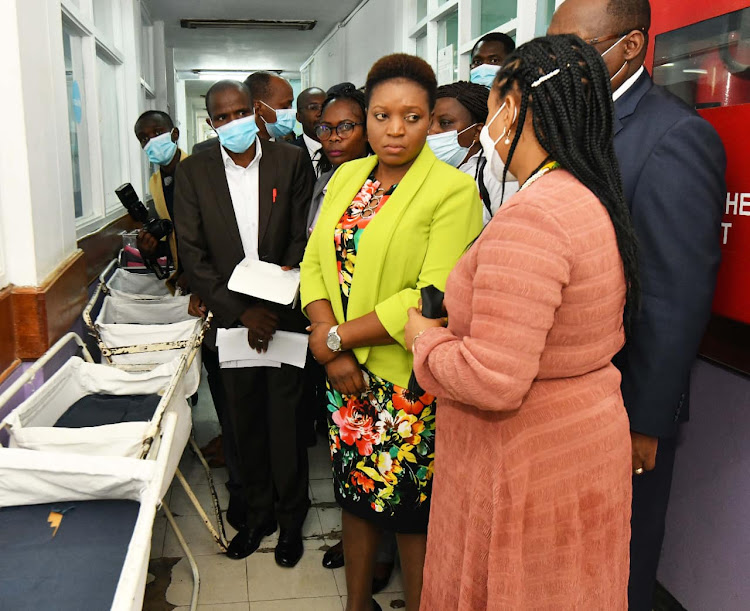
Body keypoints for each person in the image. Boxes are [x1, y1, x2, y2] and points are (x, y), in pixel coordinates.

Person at [406, 34, 640, 609]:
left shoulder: (534, 217)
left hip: (524, 461)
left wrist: (426, 341)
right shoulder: (587, 196)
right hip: (580, 441)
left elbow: (493, 379)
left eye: (490, 110)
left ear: (513, 109)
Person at [548, 2, 726, 609]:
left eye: (575, 49)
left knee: (619, 556)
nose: (559, 66)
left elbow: (675, 296)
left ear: (629, 46)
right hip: (560, 391)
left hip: (623, 404)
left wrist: (646, 420)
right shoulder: (571, 120)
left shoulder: (674, 138)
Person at [300, 54, 483, 611]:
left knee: (410, 513)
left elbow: (429, 297)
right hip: (344, 380)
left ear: (431, 120)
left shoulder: (451, 191)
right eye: (381, 115)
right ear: (367, 117)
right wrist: (328, 340)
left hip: (406, 383)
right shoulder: (347, 176)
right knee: (354, 499)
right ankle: (357, 605)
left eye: (412, 116)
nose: (395, 129)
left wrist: (335, 341)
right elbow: (312, 262)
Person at [174, 80, 315, 567]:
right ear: (211, 123)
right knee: (242, 423)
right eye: (222, 116)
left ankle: (292, 519)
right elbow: (192, 255)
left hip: (284, 314)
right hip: (232, 320)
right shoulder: (194, 172)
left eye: (240, 112)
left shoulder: (291, 160)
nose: (233, 121)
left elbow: (301, 236)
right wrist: (241, 311)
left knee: (287, 424)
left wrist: (271, 307)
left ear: (256, 114)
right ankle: (257, 516)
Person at [427, 81, 518, 223]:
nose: (432, 131)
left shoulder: (494, 175)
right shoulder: (421, 171)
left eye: (445, 123)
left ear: (477, 132)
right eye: (429, 122)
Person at [133, 110, 186, 286]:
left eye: (157, 133)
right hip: (182, 275)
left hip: (209, 275)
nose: (151, 141)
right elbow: (174, 238)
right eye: (144, 138)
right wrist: (152, 249)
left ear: (174, 134)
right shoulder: (155, 183)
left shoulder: (198, 170)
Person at [244, 71, 297, 142]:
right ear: (258, 108)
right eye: (285, 107)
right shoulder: (235, 150)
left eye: (291, 106)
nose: (292, 112)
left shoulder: (291, 150)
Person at [293, 86, 327, 175]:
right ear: (299, 117)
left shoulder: (342, 148)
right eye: (313, 108)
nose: (320, 113)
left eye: (325, 107)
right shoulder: (289, 154)